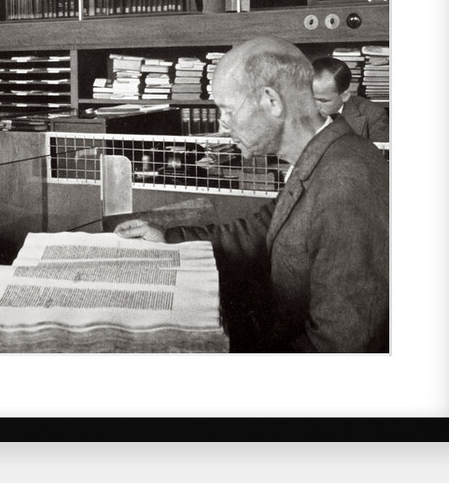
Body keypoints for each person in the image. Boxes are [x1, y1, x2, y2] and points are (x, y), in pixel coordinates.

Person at [115, 36, 389, 353]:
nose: (223, 126)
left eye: (228, 110)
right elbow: (260, 230)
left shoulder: (346, 184)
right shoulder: (323, 155)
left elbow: (338, 348)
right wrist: (169, 238)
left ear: (272, 101)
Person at [312, 56, 389, 143]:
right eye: (310, 98)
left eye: (323, 101)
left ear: (345, 96)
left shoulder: (374, 115)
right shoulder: (299, 111)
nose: (315, 106)